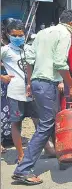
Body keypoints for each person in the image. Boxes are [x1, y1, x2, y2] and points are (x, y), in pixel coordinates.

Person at [12, 10, 72, 185]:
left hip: (37, 82)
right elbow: (59, 62)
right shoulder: (64, 34)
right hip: (47, 83)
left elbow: (30, 59)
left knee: (52, 122)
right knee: (46, 125)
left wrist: (29, 82)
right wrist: (71, 85)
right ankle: (23, 170)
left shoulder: (42, 33)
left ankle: (63, 157)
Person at [1, 19, 56, 164]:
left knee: (39, 122)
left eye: (21, 35)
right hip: (15, 93)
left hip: (32, 93)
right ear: (8, 34)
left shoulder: (29, 49)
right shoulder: (5, 50)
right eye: (14, 35)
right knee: (16, 123)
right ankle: (20, 154)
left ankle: (48, 149)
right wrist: (2, 77)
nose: (18, 38)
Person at [0, 18, 15, 154]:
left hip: (8, 83)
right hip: (2, 80)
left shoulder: (10, 44)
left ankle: (7, 136)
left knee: (7, 111)